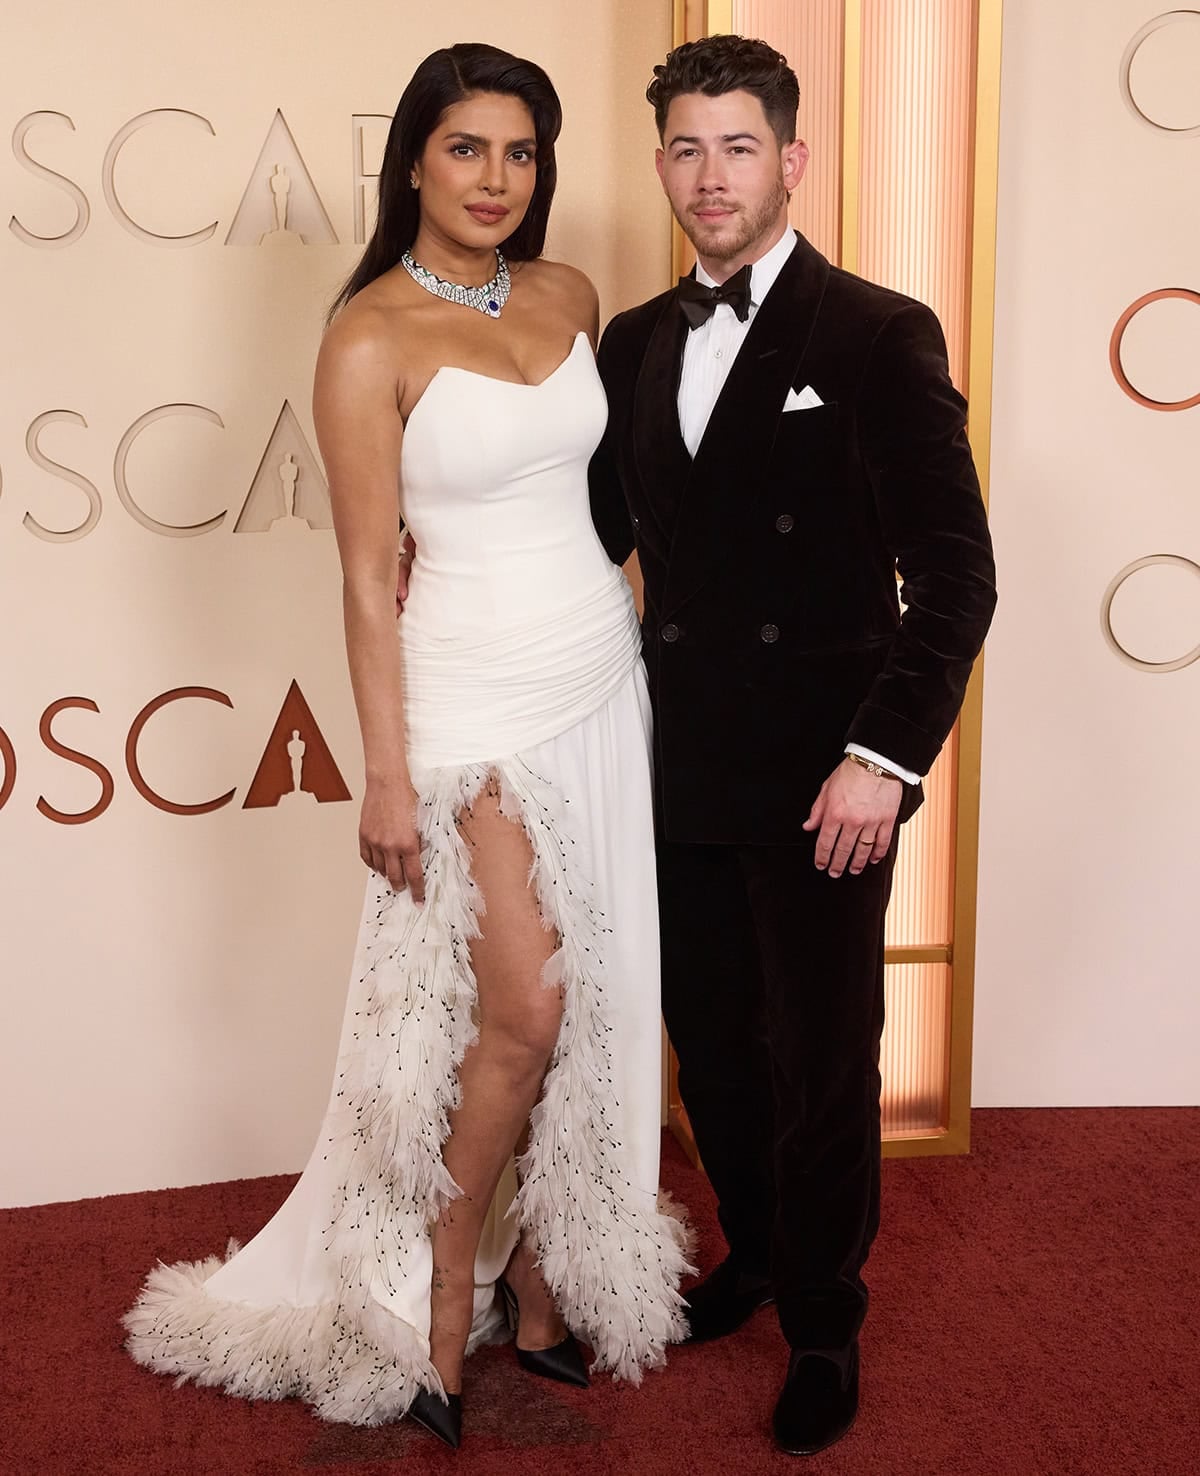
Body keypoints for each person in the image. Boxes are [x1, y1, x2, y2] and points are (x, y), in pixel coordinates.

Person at [124, 42, 689, 1449]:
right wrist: (385, 772)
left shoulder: (569, 294)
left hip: (597, 680)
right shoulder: (366, 336)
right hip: (466, 704)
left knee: (606, 993)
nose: (496, 179)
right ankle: (441, 1281)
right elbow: (368, 574)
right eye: (466, 150)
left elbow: (602, 500)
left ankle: (551, 1287)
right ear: (415, 164)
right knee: (525, 1007)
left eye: (521, 153)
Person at [588, 36, 997, 1458]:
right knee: (718, 1048)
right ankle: (753, 1257)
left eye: (739, 147)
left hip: (827, 775)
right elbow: (592, 538)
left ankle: (824, 1320)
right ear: (661, 167)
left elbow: (955, 570)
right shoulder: (634, 342)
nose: (712, 177)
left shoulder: (879, 332)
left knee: (826, 1060)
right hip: (677, 754)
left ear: (793, 161)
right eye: (687, 150)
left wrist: (881, 760)